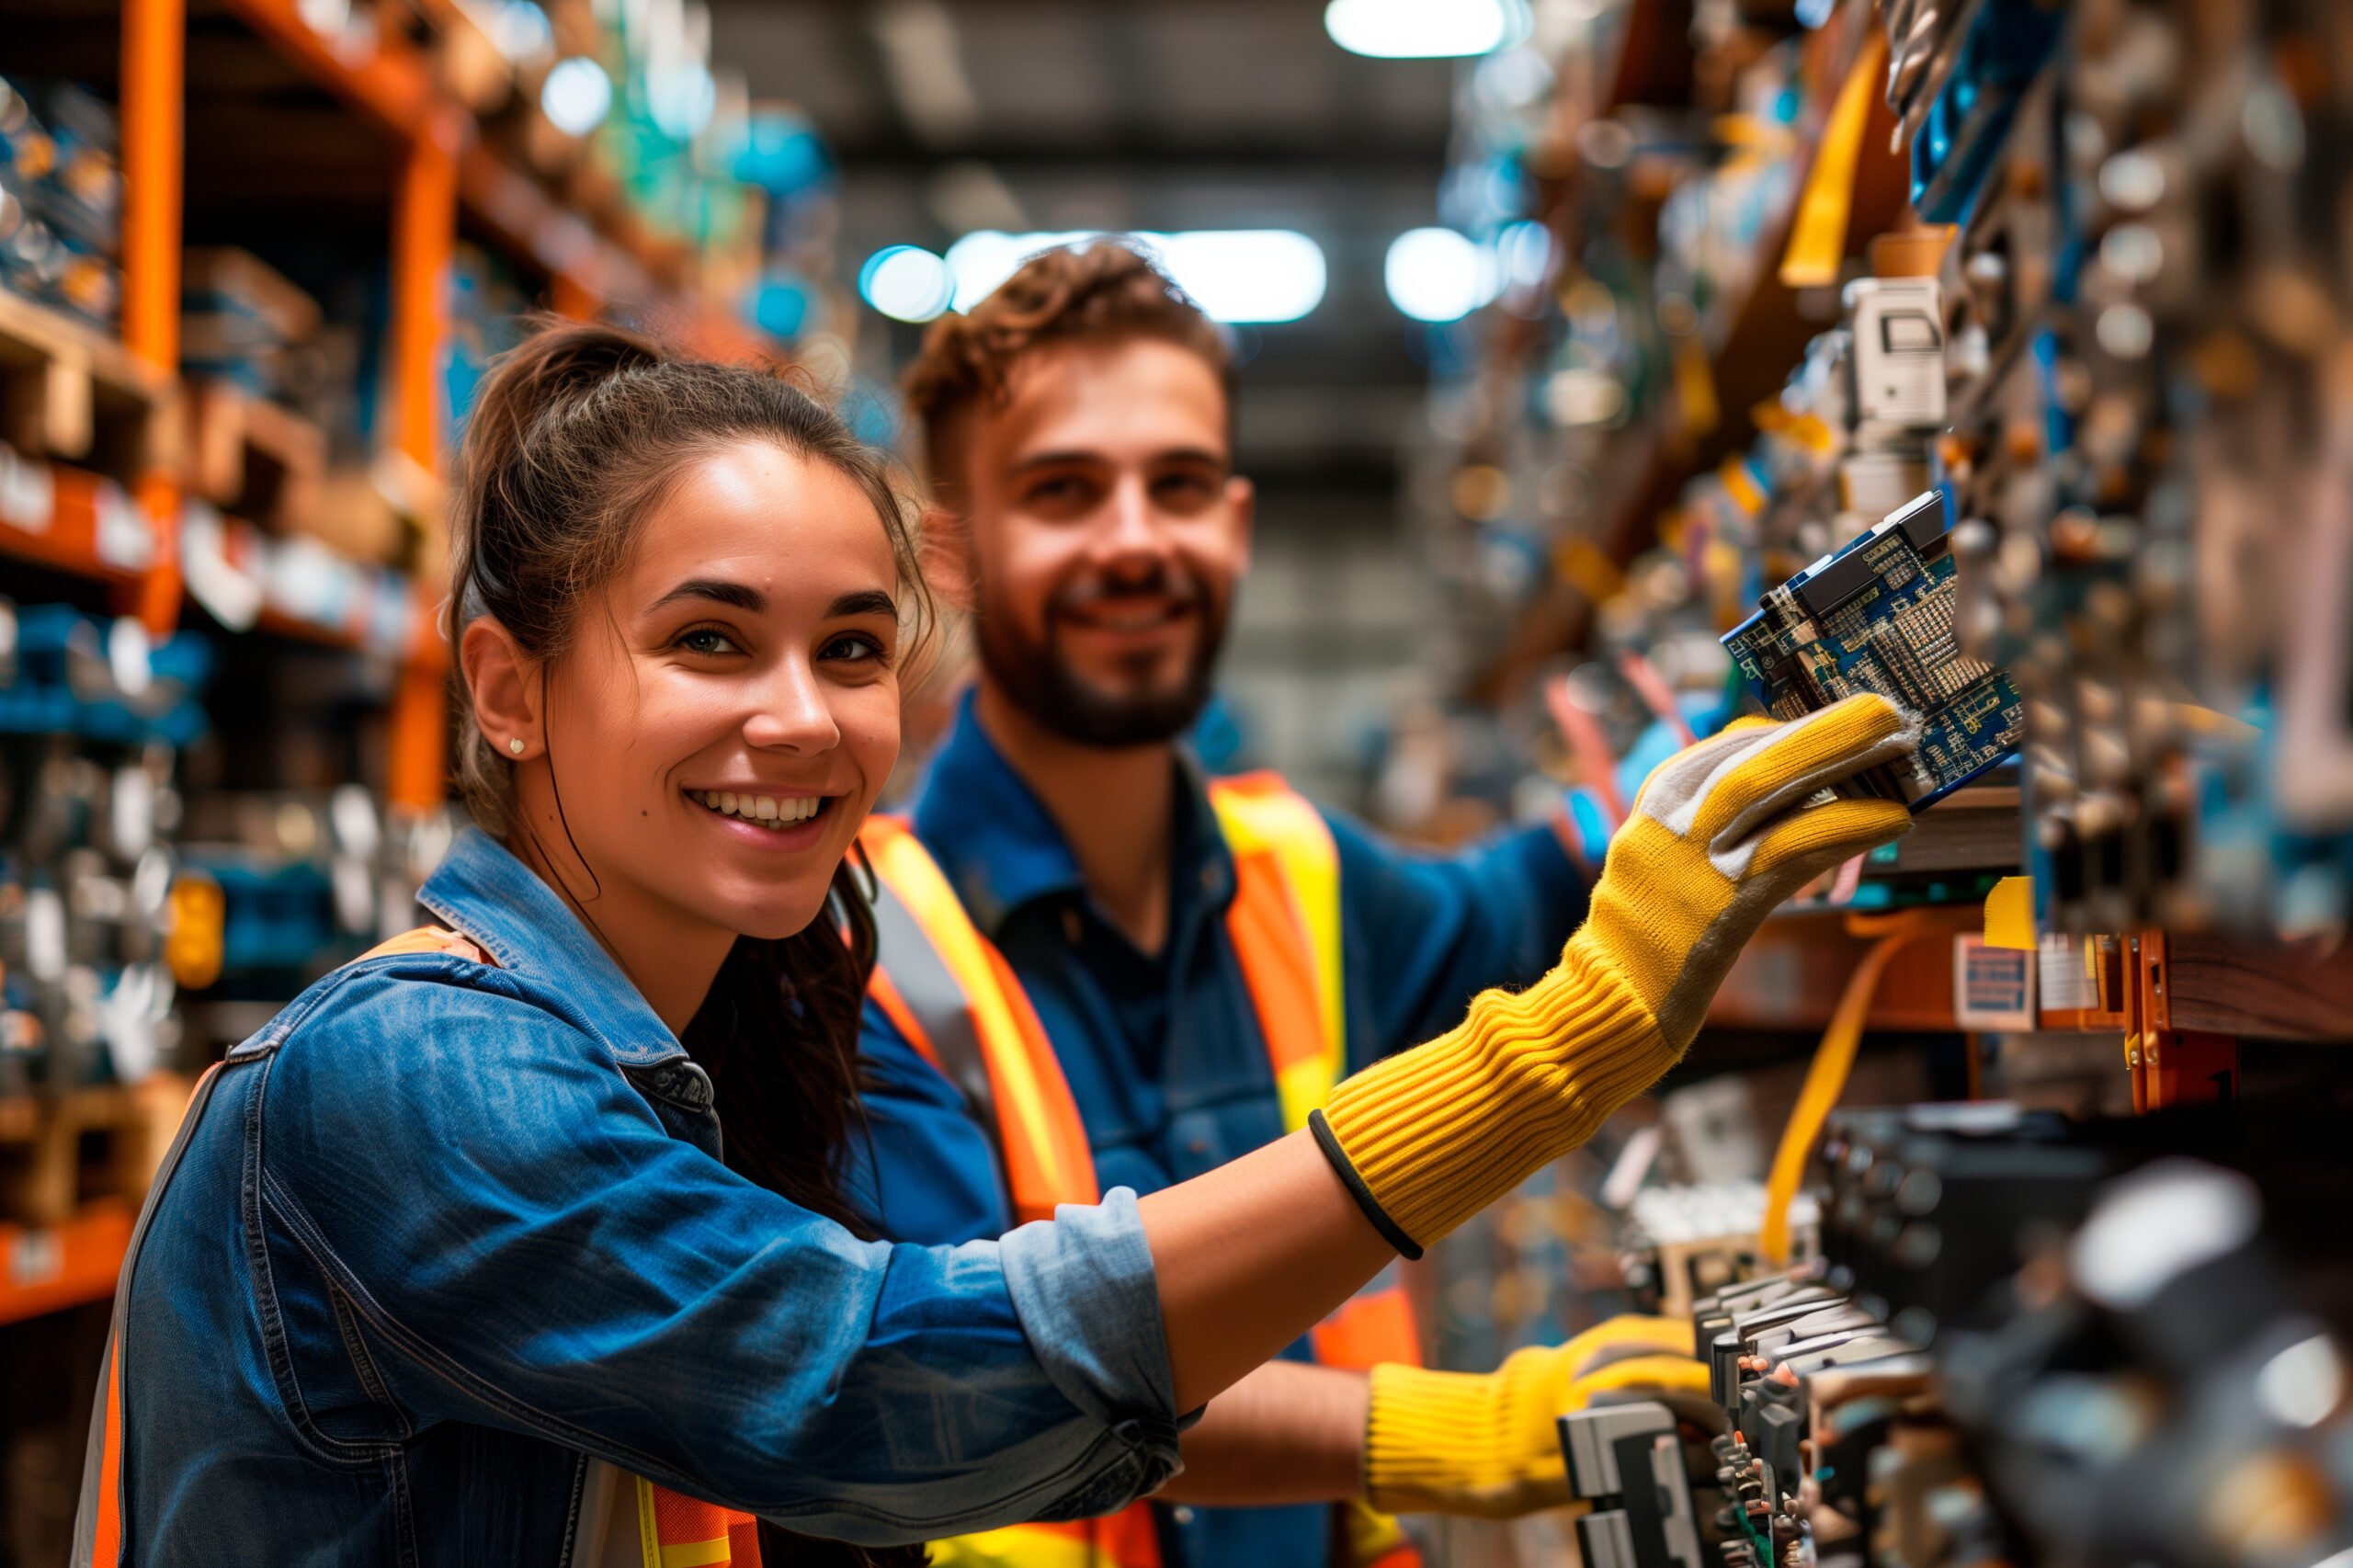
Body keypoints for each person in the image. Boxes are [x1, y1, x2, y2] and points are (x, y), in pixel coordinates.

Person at [76, 320, 1916, 1568]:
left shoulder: (739, 1026)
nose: (799, 717)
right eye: (709, 641)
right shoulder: (416, 1081)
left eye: (852, 648)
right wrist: (1577, 1038)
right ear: (508, 687)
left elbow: (1015, 1351)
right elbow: (896, 1380)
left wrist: (1451, 1427)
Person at [839, 244, 1881, 1568]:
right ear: (953, 547)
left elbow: (1534, 892)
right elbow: (983, 1377)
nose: (1134, 538)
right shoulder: (867, 958)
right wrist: (1461, 1428)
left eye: (1177, 485)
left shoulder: (1303, 869)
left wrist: (1784, 709)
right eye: (1061, 491)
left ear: (1235, 520)